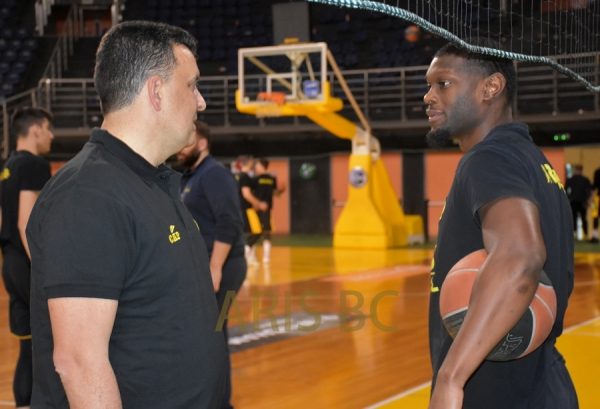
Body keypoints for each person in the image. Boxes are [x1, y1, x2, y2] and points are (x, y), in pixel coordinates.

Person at [26, 21, 227, 408]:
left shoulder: (150, 182)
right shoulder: (88, 196)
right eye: (191, 86)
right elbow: (79, 363)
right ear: (156, 92)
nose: (201, 102)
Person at [424, 43, 577, 409]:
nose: (428, 96)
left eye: (443, 84)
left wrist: (450, 378)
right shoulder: (531, 159)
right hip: (541, 386)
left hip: (500, 395)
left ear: (491, 87)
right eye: (428, 85)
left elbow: (521, 256)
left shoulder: (489, 158)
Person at [177, 120, 246, 409]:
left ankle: (221, 403)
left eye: (188, 142)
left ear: (203, 143)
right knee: (205, 336)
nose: (181, 148)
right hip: (204, 266)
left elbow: (229, 222)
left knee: (213, 335)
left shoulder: (214, 174)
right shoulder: (189, 177)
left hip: (224, 267)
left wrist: (215, 267)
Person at [0, 107, 54, 409]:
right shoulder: (34, 164)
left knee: (27, 346)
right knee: (46, 346)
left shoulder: (8, 166)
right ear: (35, 130)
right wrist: (44, 267)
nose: (51, 135)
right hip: (27, 264)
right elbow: (25, 222)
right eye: (48, 129)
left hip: (10, 264)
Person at [252, 158, 286, 263]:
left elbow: (276, 193)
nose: (255, 167)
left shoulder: (269, 179)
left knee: (264, 232)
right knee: (255, 232)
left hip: (264, 209)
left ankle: (265, 257)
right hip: (256, 209)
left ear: (262, 166)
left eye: (257, 165)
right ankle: (254, 257)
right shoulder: (256, 179)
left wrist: (281, 190)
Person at [235, 156, 267, 265]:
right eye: (253, 162)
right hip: (247, 209)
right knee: (258, 231)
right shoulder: (245, 177)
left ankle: (250, 257)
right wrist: (259, 204)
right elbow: (246, 194)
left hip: (239, 208)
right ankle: (245, 254)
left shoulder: (237, 176)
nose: (254, 164)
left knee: (247, 233)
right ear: (248, 163)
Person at [565, 164, 592, 241]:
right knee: (583, 218)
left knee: (574, 218)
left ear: (575, 170)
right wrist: (588, 200)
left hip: (573, 201)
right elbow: (589, 191)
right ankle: (585, 234)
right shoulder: (585, 179)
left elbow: (565, 190)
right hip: (582, 202)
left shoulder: (570, 179)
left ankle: (574, 234)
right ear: (581, 170)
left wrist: (569, 198)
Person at [588, 166, 600, 243]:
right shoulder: (597, 172)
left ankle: (595, 236)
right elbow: (595, 186)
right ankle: (595, 235)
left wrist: (590, 199)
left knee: (595, 216)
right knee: (595, 216)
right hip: (597, 197)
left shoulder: (597, 172)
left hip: (597, 197)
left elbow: (594, 186)